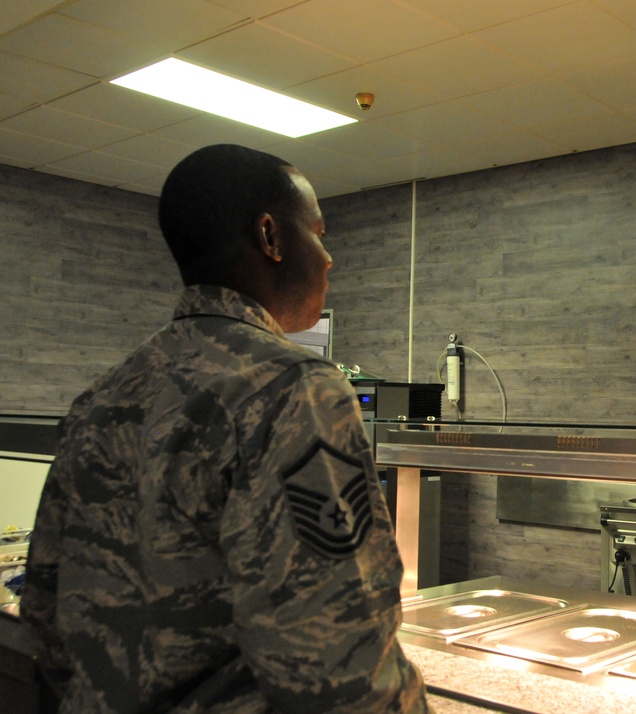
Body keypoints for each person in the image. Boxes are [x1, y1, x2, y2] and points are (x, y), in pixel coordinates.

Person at [21, 144, 429, 713]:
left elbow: (42, 614)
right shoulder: (293, 387)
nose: (330, 259)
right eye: (318, 232)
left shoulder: (103, 395)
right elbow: (336, 660)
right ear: (271, 237)